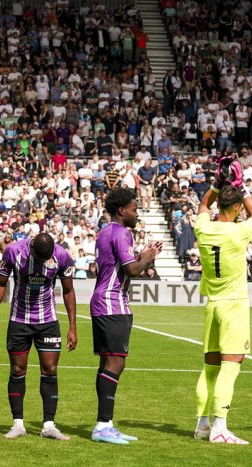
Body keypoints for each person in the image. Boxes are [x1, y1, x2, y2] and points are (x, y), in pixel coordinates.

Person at [192, 157, 252, 445]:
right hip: (233, 304)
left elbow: (202, 207)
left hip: (212, 304)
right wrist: (241, 188)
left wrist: (216, 185)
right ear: (235, 209)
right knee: (231, 365)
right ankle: (220, 428)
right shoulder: (239, 232)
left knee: (209, 367)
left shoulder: (203, 228)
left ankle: (202, 424)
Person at [0, 232, 77, 441]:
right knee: (17, 370)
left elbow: (69, 290)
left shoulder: (62, 256)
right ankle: (18, 424)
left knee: (50, 370)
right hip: (19, 320)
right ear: (32, 247)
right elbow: (1, 283)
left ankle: (49, 425)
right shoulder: (13, 251)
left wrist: (73, 326)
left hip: (48, 321)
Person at [89, 188, 161, 444]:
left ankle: (104, 424)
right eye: (134, 208)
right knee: (116, 363)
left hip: (102, 301)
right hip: (112, 304)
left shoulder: (105, 231)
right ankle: (102, 425)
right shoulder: (122, 233)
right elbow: (132, 270)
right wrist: (148, 259)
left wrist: (143, 255)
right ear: (122, 210)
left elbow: (123, 265)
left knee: (107, 363)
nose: (136, 213)